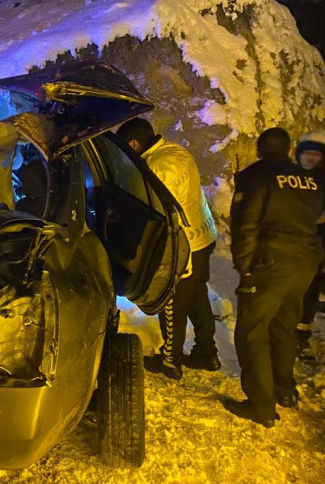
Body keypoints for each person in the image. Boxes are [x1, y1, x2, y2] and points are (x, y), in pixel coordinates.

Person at [224, 127, 323, 427]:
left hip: (269, 264)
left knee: (252, 334)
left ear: (259, 149)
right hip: (304, 265)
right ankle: (285, 390)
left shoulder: (254, 176)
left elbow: (246, 226)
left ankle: (261, 406)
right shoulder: (308, 179)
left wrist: (246, 267)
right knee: (284, 328)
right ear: (290, 151)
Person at [117, 118, 219, 380]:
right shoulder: (175, 151)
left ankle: (171, 361)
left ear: (134, 144)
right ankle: (207, 353)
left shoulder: (159, 167)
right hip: (204, 236)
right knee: (197, 294)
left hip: (186, 246)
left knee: (172, 302)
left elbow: (159, 214)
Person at [294, 129, 325, 353]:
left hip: (316, 245)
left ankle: (302, 335)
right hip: (293, 244)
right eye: (307, 154)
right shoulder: (291, 176)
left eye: (316, 154)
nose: (311, 158)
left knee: (310, 290)